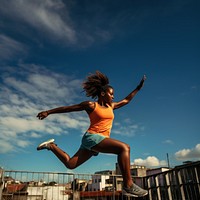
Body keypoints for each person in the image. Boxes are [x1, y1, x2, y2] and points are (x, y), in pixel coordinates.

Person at [37, 71, 148, 197]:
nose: (113, 97)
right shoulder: (91, 105)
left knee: (71, 164)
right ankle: (128, 186)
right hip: (92, 137)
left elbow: (126, 100)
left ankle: (51, 146)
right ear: (102, 93)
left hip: (96, 140)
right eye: (111, 94)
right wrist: (48, 112)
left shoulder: (111, 106)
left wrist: (138, 88)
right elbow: (69, 108)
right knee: (124, 148)